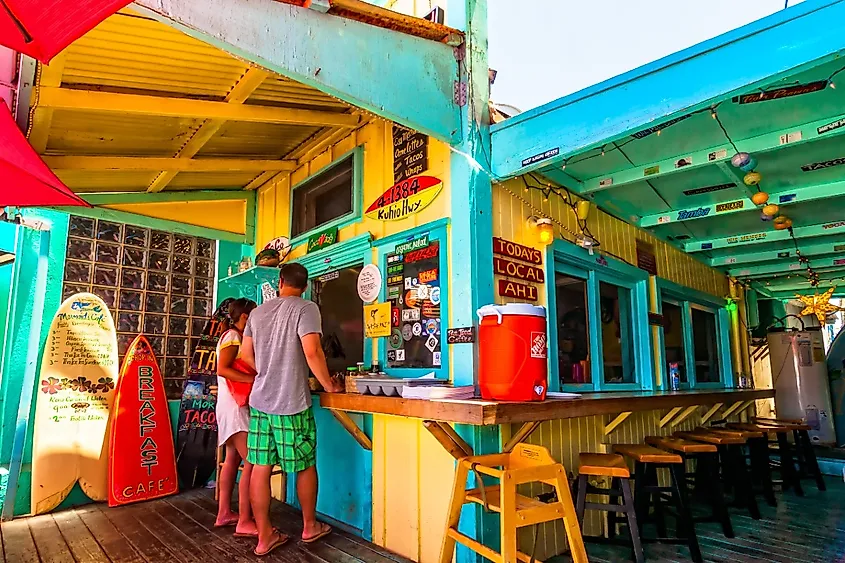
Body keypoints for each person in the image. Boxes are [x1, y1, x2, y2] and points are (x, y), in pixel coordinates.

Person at [240, 263, 342, 557]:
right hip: (291, 403)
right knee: (305, 463)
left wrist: (267, 371)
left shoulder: (258, 313)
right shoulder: (306, 308)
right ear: (306, 286)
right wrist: (329, 385)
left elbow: (246, 355)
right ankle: (309, 526)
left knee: (260, 467)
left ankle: (264, 536)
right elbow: (312, 350)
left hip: (260, 403)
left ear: (280, 281)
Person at [214, 298, 259, 537]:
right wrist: (255, 380)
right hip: (235, 407)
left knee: (232, 459)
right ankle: (244, 520)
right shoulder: (233, 337)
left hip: (229, 405)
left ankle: (224, 513)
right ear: (244, 317)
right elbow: (223, 369)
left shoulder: (232, 336)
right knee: (252, 461)